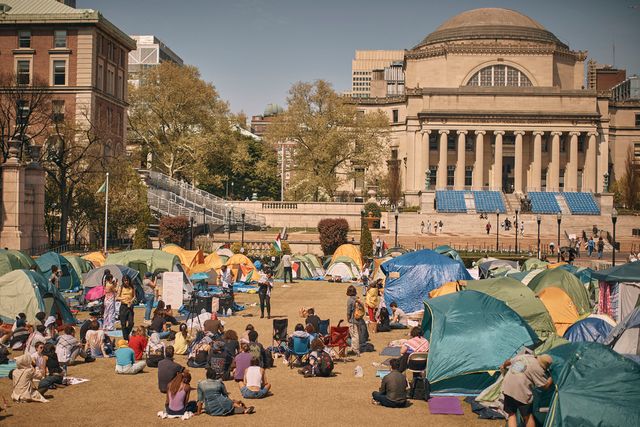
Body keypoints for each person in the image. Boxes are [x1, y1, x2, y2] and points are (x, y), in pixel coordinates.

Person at [501, 354, 553, 427]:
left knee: (511, 414)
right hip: (522, 393)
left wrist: (504, 365)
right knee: (528, 417)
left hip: (508, 388)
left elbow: (508, 362)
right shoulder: (539, 369)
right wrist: (551, 377)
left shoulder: (524, 356)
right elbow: (545, 386)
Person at [346, 285, 367, 356]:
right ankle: (354, 348)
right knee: (356, 334)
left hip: (353, 319)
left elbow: (349, 311)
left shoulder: (350, 300)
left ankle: (355, 350)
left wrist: (348, 319)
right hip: (359, 319)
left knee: (354, 335)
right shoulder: (358, 298)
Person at [116, 275, 136, 340]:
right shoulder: (121, 287)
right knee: (123, 324)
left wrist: (131, 300)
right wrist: (124, 298)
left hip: (130, 306)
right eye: (125, 280)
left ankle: (126, 334)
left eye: (127, 280)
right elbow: (117, 297)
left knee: (131, 323)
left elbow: (134, 296)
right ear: (123, 281)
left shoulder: (132, 287)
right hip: (123, 306)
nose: (126, 282)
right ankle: (126, 339)